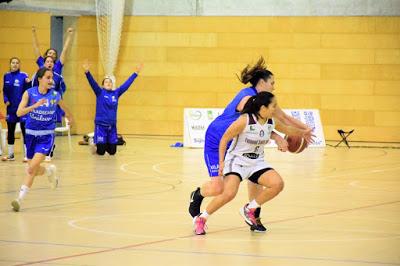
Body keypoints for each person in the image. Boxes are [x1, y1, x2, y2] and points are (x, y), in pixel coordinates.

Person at [189, 57, 313, 232]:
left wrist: (306, 130)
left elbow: (282, 118)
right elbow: (252, 123)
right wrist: (277, 136)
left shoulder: (265, 102)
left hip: (243, 147)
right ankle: (198, 196)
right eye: (272, 83)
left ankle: (253, 214)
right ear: (262, 83)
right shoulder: (248, 100)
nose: (274, 86)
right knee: (219, 188)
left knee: (256, 179)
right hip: (218, 138)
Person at [11, 67, 74, 212]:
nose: (50, 80)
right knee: (32, 168)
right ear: (40, 79)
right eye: (47, 77)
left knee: (31, 168)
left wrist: (69, 118)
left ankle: (19, 199)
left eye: (51, 77)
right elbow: (19, 112)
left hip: (46, 136)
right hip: (31, 135)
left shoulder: (55, 95)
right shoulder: (30, 93)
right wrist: (34, 106)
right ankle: (48, 171)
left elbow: (66, 109)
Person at [83, 60, 142, 156]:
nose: (109, 83)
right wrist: (87, 72)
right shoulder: (100, 92)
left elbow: (126, 85)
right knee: (101, 152)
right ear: (103, 85)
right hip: (101, 125)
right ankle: (95, 141)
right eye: (106, 82)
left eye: (110, 82)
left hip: (112, 127)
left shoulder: (116, 93)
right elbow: (92, 83)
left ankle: (99, 141)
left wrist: (135, 73)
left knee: (112, 152)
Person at [31, 56, 66, 162]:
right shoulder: (38, 75)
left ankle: (48, 152)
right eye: (47, 61)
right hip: (40, 106)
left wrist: (57, 101)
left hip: (52, 107)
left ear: (54, 64)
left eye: (51, 61)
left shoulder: (58, 77)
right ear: (44, 63)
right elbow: (33, 89)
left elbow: (62, 90)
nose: (49, 63)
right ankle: (37, 151)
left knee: (50, 129)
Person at [2, 57, 31, 162]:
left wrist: (28, 83)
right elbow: (4, 91)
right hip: (11, 110)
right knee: (10, 131)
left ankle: (27, 155)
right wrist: (6, 100)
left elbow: (28, 91)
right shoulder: (6, 76)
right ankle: (11, 155)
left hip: (22, 109)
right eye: (13, 63)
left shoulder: (24, 75)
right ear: (10, 64)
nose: (15, 64)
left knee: (25, 131)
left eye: (17, 63)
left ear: (19, 64)